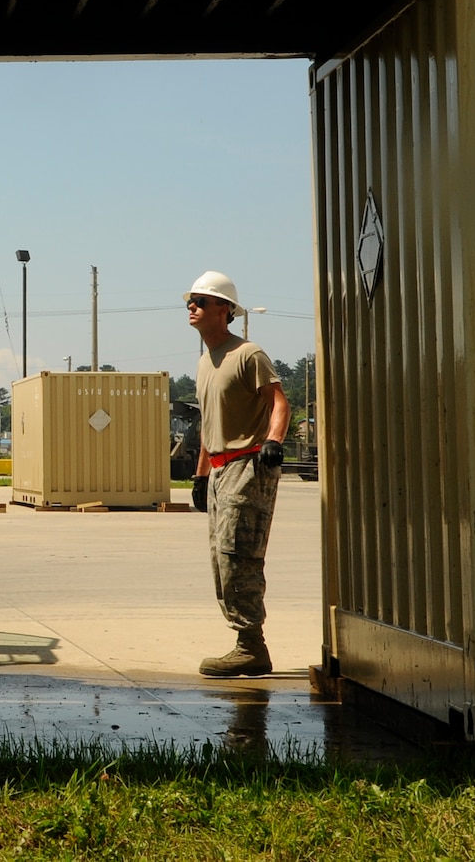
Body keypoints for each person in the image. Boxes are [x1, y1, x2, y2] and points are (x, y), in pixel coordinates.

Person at [185, 271, 290, 678]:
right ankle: (246, 643)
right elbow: (210, 426)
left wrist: (275, 441)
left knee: (237, 556)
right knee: (220, 559)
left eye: (200, 301)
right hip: (219, 471)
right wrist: (199, 477)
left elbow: (278, 401)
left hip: (249, 464)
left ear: (224, 311)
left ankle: (251, 647)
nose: (191, 307)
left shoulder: (248, 354)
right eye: (190, 302)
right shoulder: (204, 362)